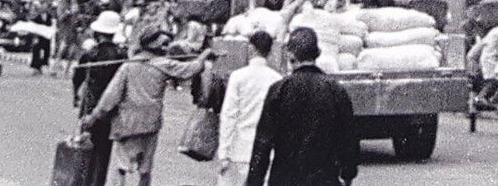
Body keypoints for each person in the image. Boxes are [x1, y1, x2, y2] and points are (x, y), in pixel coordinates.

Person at [82, 27, 213, 186]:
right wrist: (203, 57)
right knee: (145, 169)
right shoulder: (163, 64)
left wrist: (93, 116)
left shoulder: (128, 67)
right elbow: (190, 69)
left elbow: (110, 97)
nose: (165, 48)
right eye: (163, 45)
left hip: (127, 123)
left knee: (121, 167)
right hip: (150, 123)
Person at [245, 27, 359, 186]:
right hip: (324, 179)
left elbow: (262, 144)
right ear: (317, 53)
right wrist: (348, 174)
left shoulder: (278, 90)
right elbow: (348, 139)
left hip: (284, 179)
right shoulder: (336, 91)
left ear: (290, 54)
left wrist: (254, 182)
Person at [218, 31, 281, 186]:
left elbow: (229, 115)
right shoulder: (277, 79)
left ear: (250, 48)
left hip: (238, 148)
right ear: (270, 51)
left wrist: (223, 152)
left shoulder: (238, 76)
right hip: (266, 151)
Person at [74, 11, 126, 186]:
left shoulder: (91, 54)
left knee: (84, 150)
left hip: (90, 107)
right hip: (110, 110)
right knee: (103, 154)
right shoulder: (121, 57)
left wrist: (75, 95)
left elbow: (77, 76)